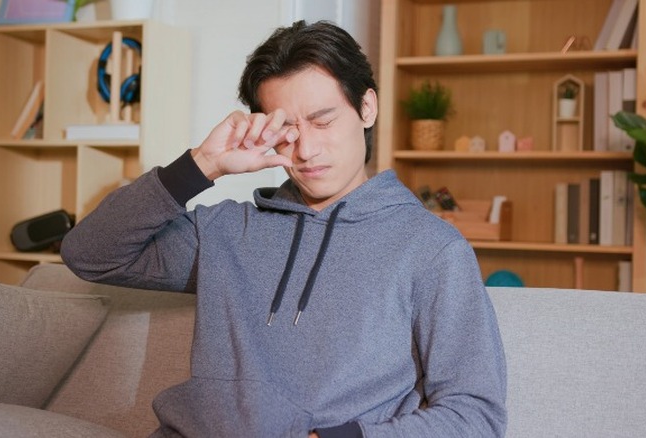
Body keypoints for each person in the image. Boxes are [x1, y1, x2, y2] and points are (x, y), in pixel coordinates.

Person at [61, 20, 507, 438]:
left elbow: (475, 415)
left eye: (323, 120)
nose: (306, 149)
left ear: (366, 107)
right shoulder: (226, 229)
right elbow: (89, 253)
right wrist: (204, 164)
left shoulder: (430, 249)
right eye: (286, 130)